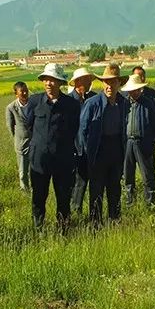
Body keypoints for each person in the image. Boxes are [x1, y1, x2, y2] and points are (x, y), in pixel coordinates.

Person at [25, 64, 79, 232]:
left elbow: (75, 129)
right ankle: (38, 229)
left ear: (60, 83)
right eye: (46, 79)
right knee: (38, 197)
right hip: (39, 161)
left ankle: (64, 230)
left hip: (63, 161)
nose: (48, 83)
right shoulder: (34, 102)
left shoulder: (71, 105)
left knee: (63, 198)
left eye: (53, 80)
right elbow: (29, 125)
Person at [79, 64, 131, 226]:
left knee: (115, 188)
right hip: (97, 150)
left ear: (118, 84)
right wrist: (87, 154)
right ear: (102, 84)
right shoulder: (92, 103)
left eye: (113, 82)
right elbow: (82, 131)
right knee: (96, 189)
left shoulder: (123, 103)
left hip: (116, 148)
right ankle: (95, 223)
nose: (109, 86)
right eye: (106, 82)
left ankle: (115, 220)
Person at [121, 73, 155, 205]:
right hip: (128, 142)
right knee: (127, 175)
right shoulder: (124, 103)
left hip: (143, 143)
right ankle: (129, 202)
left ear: (140, 89)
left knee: (147, 175)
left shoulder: (148, 104)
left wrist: (153, 142)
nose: (134, 92)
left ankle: (151, 203)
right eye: (131, 90)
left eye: (136, 89)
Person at [67, 67, 96, 213]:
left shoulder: (94, 98)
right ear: (77, 82)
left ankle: (94, 211)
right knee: (78, 181)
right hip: (75, 148)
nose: (88, 83)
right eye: (85, 80)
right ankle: (75, 209)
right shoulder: (68, 102)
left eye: (89, 80)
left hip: (93, 147)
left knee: (94, 181)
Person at [5, 81, 31, 192]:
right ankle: (24, 190)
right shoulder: (11, 107)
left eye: (26, 90)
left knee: (36, 170)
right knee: (23, 171)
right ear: (16, 94)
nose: (25, 93)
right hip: (21, 144)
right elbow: (10, 126)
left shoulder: (34, 103)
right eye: (22, 91)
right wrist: (17, 139)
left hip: (35, 142)